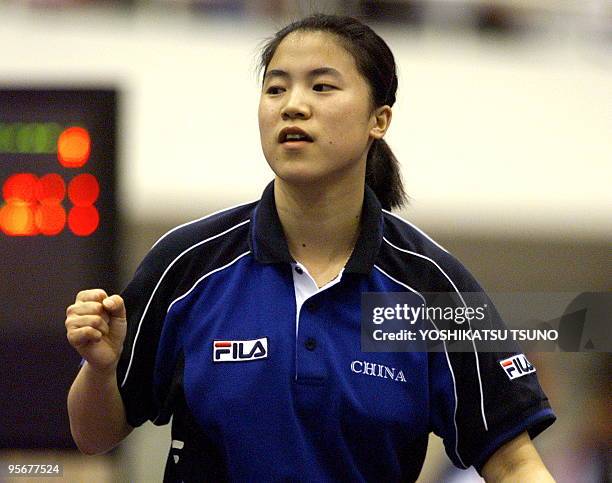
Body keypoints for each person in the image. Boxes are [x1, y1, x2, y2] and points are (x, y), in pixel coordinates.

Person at [66, 13, 557, 482]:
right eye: (276, 88)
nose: (292, 105)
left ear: (379, 120)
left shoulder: (431, 288)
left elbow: (515, 466)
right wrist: (99, 368)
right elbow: (93, 435)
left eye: (322, 86)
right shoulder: (189, 265)